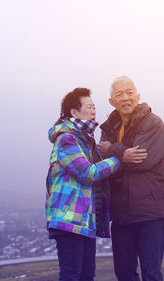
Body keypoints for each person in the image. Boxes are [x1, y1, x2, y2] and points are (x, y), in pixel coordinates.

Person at [98, 76, 164, 281]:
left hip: (150, 212)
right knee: (124, 273)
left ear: (138, 97)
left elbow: (142, 159)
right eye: (119, 94)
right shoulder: (109, 128)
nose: (125, 98)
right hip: (121, 213)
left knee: (151, 273)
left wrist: (113, 150)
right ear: (112, 102)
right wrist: (123, 154)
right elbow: (103, 165)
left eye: (130, 92)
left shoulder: (153, 123)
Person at [46, 87, 121, 281]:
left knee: (87, 275)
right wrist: (118, 159)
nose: (94, 110)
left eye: (94, 106)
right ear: (74, 112)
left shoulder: (85, 140)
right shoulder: (67, 139)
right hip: (69, 219)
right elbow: (87, 173)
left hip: (85, 220)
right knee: (72, 275)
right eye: (89, 106)